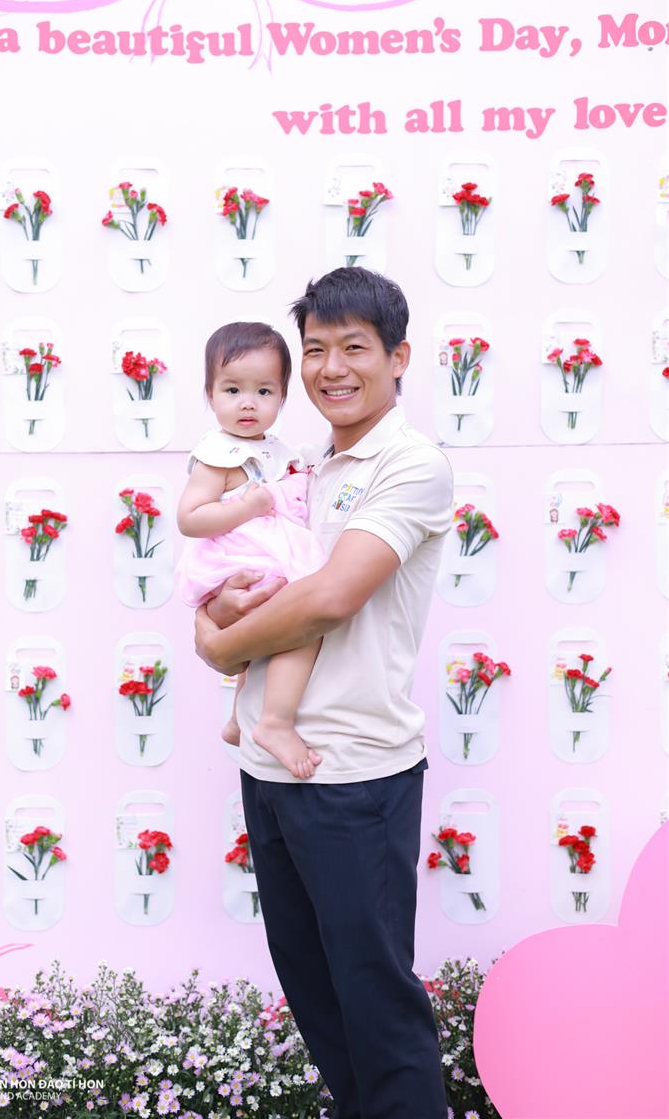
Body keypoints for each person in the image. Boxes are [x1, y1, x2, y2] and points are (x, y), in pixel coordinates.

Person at [194, 267, 453, 1119]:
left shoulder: (409, 464)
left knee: (376, 1007)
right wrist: (214, 620)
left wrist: (216, 643)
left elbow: (331, 597)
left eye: (353, 348)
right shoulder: (303, 468)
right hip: (272, 770)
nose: (331, 368)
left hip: (354, 775)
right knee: (320, 1003)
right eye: (313, 350)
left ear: (398, 357)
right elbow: (252, 585)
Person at [176, 321, 326, 778]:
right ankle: (275, 721)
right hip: (240, 556)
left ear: (282, 397)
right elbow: (190, 518)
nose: (248, 402)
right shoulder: (217, 455)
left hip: (265, 551)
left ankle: (239, 717)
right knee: (302, 625)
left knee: (273, 631)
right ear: (210, 394)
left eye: (264, 391)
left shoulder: (275, 449)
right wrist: (246, 507)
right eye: (233, 390)